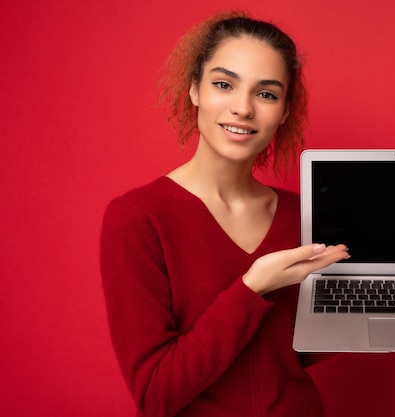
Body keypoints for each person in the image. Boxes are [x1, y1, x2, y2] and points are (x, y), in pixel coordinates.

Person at [100, 11, 349, 417]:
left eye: (266, 94)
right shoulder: (137, 218)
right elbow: (156, 395)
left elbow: (289, 358)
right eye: (223, 84)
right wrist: (252, 288)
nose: (243, 108)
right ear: (195, 90)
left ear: (284, 111)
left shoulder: (303, 214)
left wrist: (373, 319)